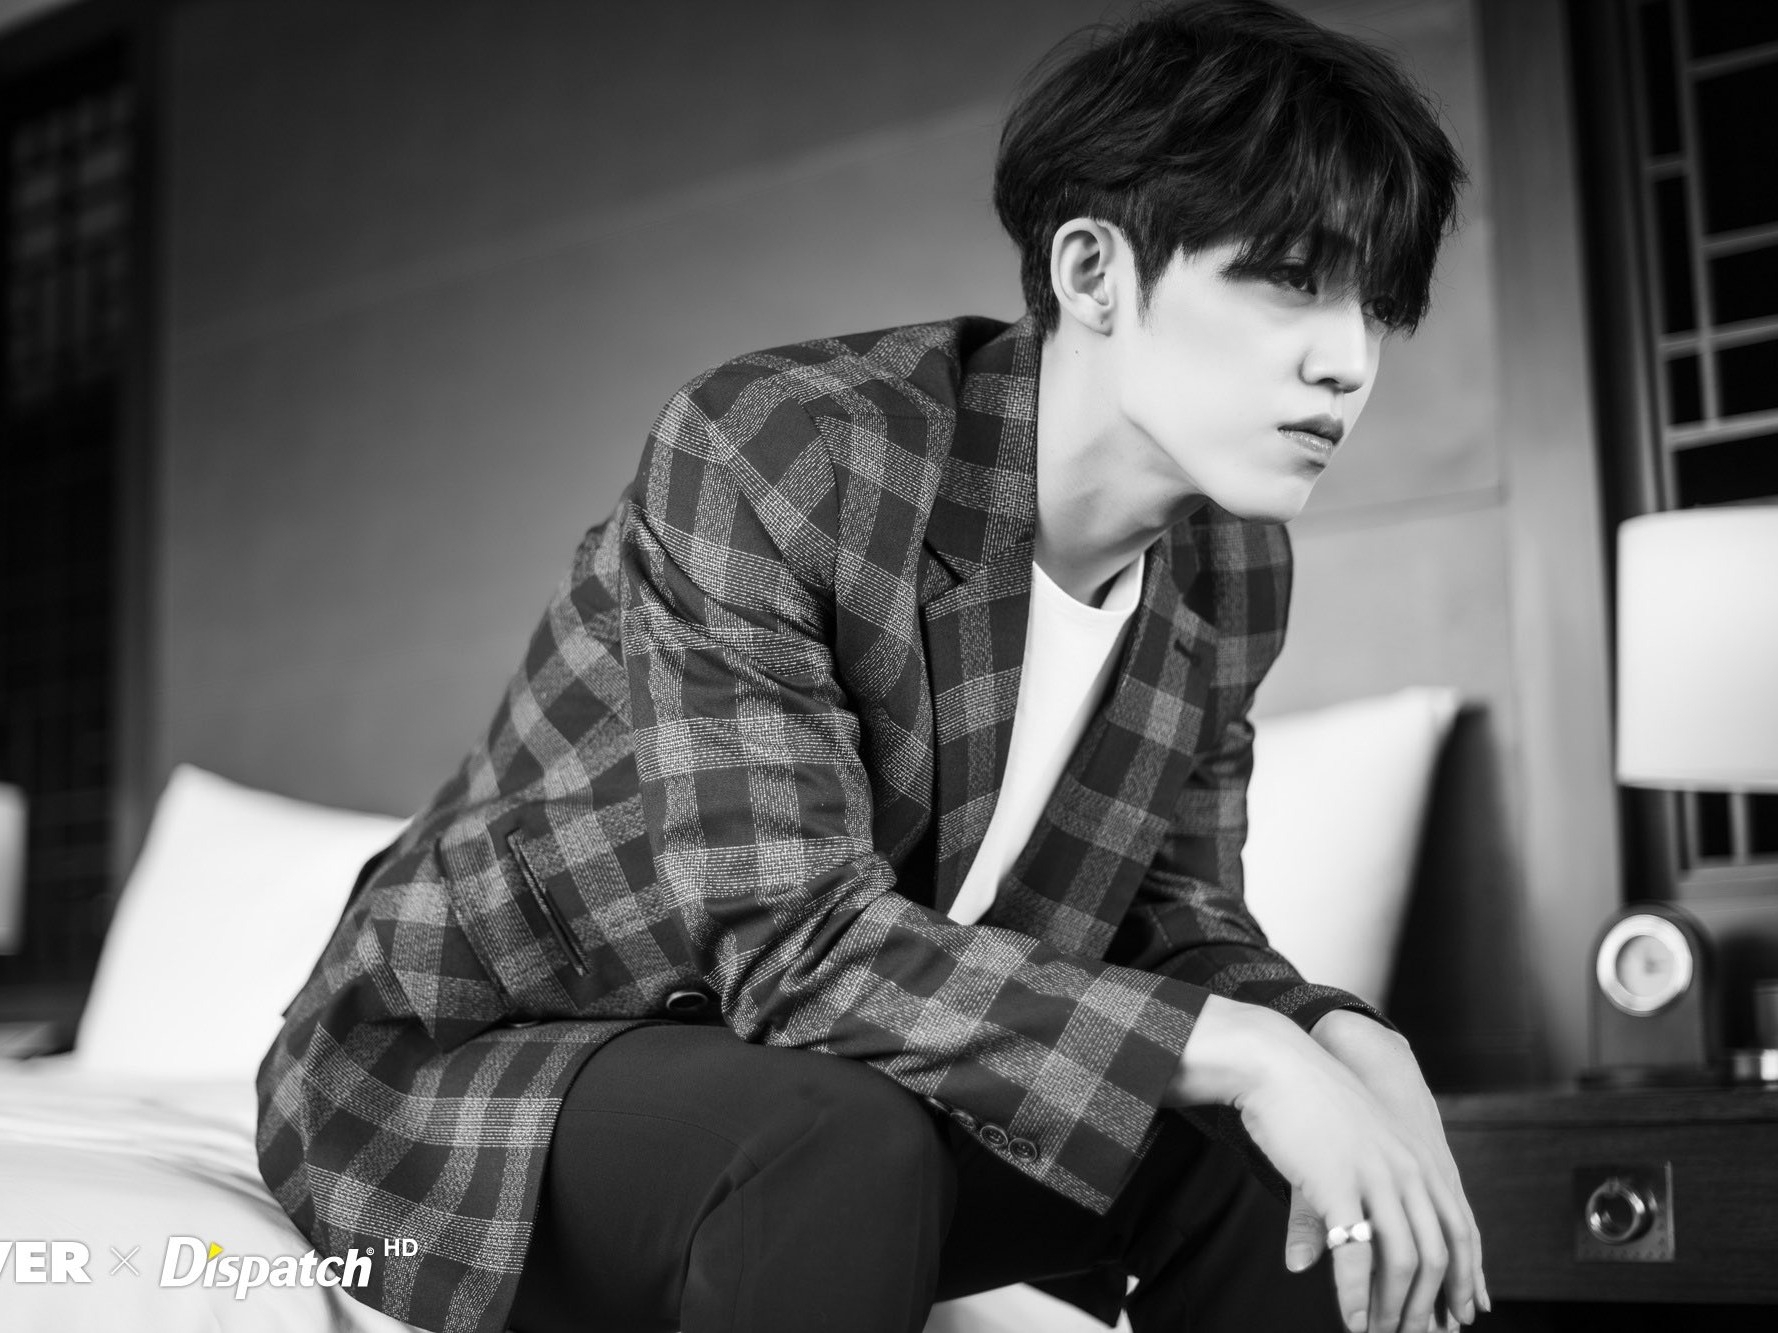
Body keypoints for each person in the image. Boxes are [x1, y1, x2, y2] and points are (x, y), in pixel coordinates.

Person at [257, 3, 1482, 1331]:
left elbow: (1171, 920)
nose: (1348, 361)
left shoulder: (1231, 570)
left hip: (838, 1073)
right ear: (1091, 273)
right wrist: (1252, 1053)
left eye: (1377, 304)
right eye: (1290, 280)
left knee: (1276, 1156)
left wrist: (1331, 1037)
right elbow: (790, 944)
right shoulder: (787, 451)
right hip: (484, 1062)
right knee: (836, 1137)